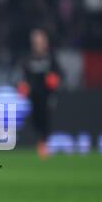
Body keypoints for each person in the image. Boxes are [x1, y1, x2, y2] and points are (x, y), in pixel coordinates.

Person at [18, 28, 61, 159]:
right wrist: (24, 86)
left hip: (47, 95)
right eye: (36, 41)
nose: (38, 44)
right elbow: (24, 76)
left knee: (45, 118)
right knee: (35, 119)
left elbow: (59, 74)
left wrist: (54, 80)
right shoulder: (28, 58)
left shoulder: (50, 58)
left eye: (40, 41)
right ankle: (40, 141)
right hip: (33, 96)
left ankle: (44, 144)